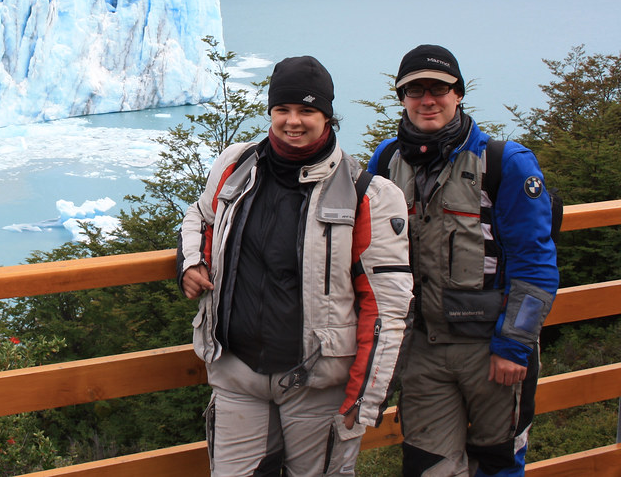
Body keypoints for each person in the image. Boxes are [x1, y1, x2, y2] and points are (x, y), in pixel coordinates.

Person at [177, 55, 414, 476]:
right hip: (237, 372)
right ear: (270, 111)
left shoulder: (368, 194)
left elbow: (386, 306)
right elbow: (200, 216)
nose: (293, 121)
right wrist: (192, 260)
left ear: (328, 116)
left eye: (307, 110)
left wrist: (365, 397)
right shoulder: (236, 165)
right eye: (283, 109)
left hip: (317, 382)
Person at [367, 44, 559, 477]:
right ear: (402, 98)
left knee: (497, 465)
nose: (427, 100)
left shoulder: (503, 163)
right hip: (422, 350)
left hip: (491, 350)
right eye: (415, 91)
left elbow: (535, 264)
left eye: (439, 88)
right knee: (427, 466)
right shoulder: (386, 161)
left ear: (459, 94)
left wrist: (514, 345)